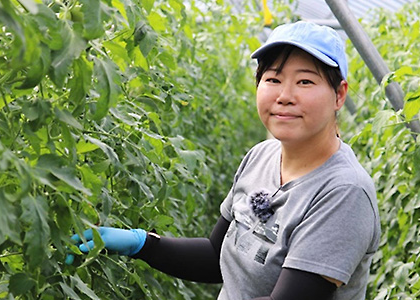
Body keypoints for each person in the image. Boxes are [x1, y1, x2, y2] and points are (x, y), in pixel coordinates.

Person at [66, 21, 381, 300]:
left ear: (339, 95)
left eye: (305, 82)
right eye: (273, 79)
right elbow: (217, 256)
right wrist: (142, 244)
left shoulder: (344, 193)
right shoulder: (262, 155)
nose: (285, 95)